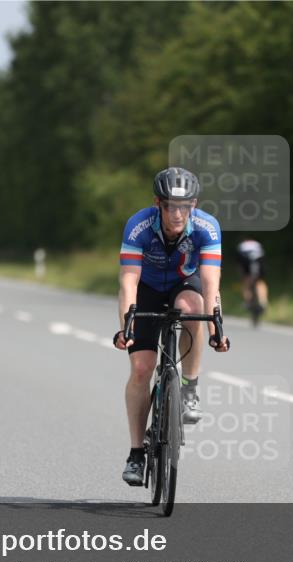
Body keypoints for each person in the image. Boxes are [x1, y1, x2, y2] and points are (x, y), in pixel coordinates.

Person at [113, 167, 230, 486]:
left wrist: (216, 328)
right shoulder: (138, 226)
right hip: (146, 288)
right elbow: (128, 282)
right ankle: (136, 453)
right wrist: (126, 327)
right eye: (170, 206)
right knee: (141, 368)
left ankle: (189, 388)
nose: (177, 214)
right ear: (158, 204)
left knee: (192, 309)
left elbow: (211, 282)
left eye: (184, 206)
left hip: (184, 282)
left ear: (194, 205)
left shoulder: (207, 227)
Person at [237, 238, 268, 319]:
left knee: (246, 281)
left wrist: (242, 275)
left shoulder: (241, 246)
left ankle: (247, 302)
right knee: (260, 281)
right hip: (258, 259)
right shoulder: (257, 244)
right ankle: (263, 303)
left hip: (245, 260)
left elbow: (240, 264)